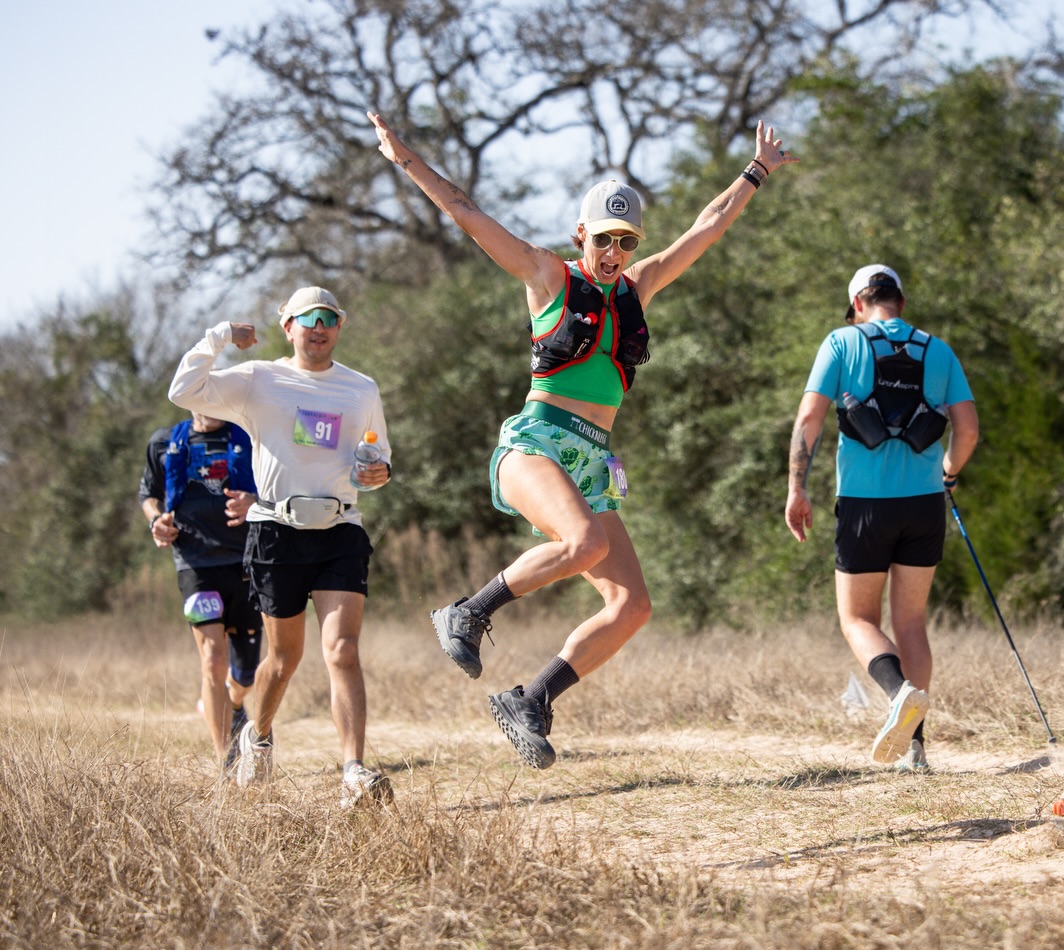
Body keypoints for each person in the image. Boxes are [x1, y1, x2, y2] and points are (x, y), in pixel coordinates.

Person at [368, 109, 797, 770]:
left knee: (632, 605)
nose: (615, 252)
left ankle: (531, 701)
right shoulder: (548, 276)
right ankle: (467, 612)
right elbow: (466, 211)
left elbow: (706, 226)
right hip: (534, 444)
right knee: (586, 542)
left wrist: (756, 172)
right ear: (581, 235)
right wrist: (407, 160)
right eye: (604, 239)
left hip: (592, 460)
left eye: (625, 240)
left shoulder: (638, 288)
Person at [168, 286, 396, 808]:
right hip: (276, 532)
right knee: (283, 658)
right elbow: (185, 389)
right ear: (287, 327)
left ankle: (354, 772)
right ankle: (260, 735)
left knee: (342, 650)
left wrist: (378, 472)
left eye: (329, 319)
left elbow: (377, 460)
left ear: (339, 328)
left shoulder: (361, 389)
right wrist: (222, 336)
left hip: (340, 529)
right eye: (307, 318)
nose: (319, 327)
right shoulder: (259, 380)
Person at [785, 265, 979, 772]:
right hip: (923, 504)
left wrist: (796, 487)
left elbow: (809, 419)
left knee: (857, 620)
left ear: (856, 305)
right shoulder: (938, 350)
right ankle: (914, 749)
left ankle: (898, 695)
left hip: (864, 506)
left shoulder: (841, 342)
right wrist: (949, 472)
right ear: (902, 301)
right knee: (911, 622)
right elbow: (969, 430)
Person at [140, 411, 263, 773]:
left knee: (246, 675)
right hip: (194, 567)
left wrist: (254, 501)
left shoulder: (252, 436)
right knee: (212, 660)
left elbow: (275, 488)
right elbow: (148, 493)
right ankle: (226, 758)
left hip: (245, 564)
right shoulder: (164, 441)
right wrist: (155, 520)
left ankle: (236, 705)